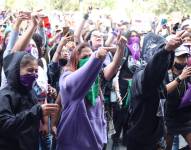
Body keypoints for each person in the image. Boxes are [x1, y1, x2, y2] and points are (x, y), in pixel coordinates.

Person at [56, 33, 126, 150]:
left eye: (90, 56)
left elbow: (114, 66)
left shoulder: (96, 78)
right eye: (84, 57)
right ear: (75, 59)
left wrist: (121, 48)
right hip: (73, 144)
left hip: (95, 143)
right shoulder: (67, 78)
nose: (88, 59)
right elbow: (72, 84)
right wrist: (95, 58)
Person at [125, 31, 187, 150]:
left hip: (155, 136)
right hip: (141, 140)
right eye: (159, 53)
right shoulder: (141, 74)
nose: (168, 60)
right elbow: (149, 78)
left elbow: (161, 92)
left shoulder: (161, 76)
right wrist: (165, 51)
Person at [0, 52, 58, 150]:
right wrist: (36, 112)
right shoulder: (5, 95)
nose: (34, 75)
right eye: (30, 71)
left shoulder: (31, 90)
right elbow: (5, 124)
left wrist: (50, 92)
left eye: (36, 71)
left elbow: (41, 101)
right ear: (16, 71)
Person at [165, 45, 191, 150]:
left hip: (186, 117)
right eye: (180, 57)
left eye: (185, 57)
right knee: (167, 147)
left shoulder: (188, 72)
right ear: (173, 58)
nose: (183, 60)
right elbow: (163, 91)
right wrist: (180, 78)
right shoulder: (165, 72)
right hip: (169, 117)